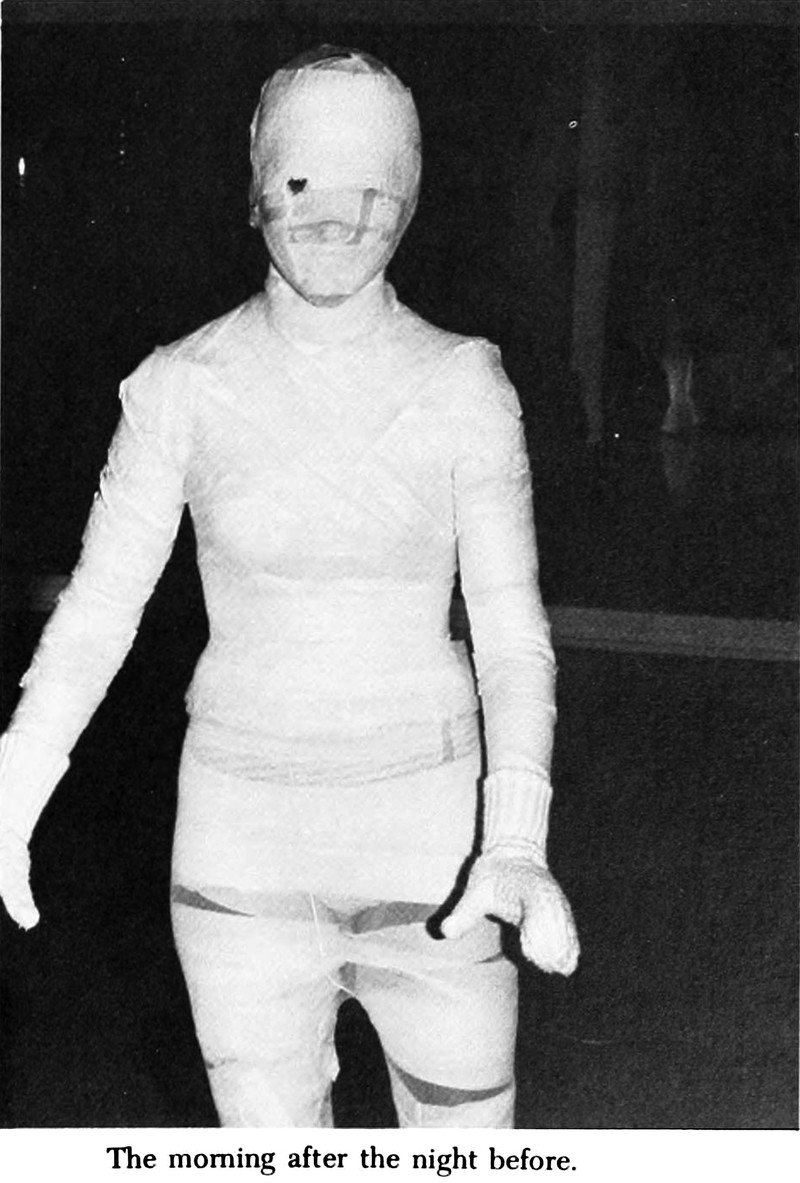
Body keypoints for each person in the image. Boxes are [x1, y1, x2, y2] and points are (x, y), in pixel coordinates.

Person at [0, 45, 579, 1128]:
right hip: (241, 856)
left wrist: (512, 837)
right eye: (302, 182)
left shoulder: (462, 385)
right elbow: (99, 608)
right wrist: (15, 777)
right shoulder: (180, 386)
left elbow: (512, 635)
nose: (335, 220)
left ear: (410, 199)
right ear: (257, 186)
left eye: (373, 191)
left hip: (435, 847)